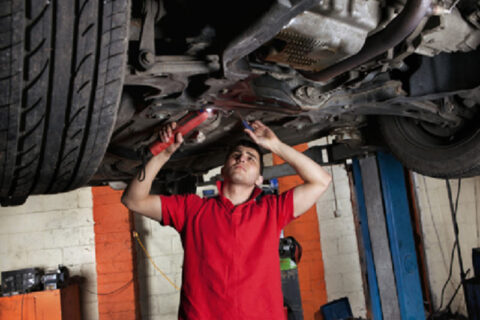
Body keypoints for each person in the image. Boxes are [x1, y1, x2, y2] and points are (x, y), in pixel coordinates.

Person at [122, 120, 332, 319]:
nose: (242, 158)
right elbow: (134, 200)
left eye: (251, 158)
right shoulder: (191, 209)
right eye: (236, 155)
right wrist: (163, 154)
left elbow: (321, 181)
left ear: (260, 179)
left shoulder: (272, 211)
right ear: (222, 171)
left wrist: (276, 145)